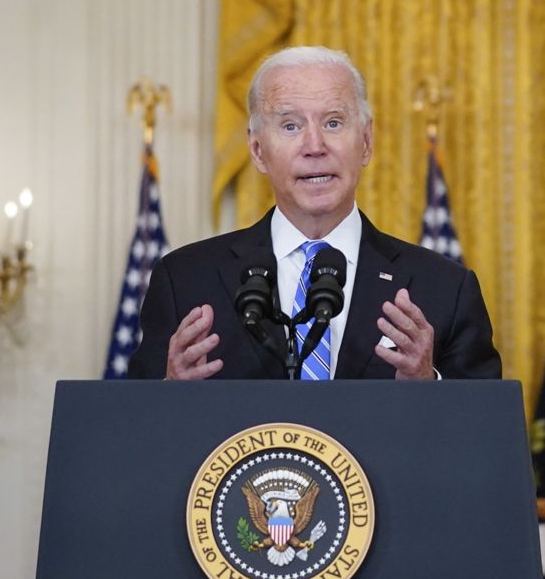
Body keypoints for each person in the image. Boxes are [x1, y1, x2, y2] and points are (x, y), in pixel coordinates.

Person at [128, 46, 501, 381]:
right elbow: (132, 434)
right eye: (290, 125)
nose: (314, 146)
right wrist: (168, 395)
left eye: (333, 122)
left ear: (366, 142)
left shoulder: (444, 289)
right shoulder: (186, 281)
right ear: (257, 150)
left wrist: (429, 390)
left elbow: (487, 439)